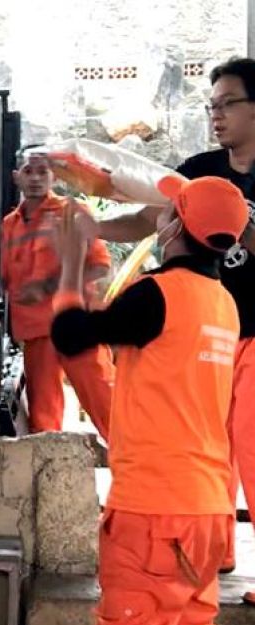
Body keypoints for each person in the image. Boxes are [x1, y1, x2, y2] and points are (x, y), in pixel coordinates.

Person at [50, 176, 247, 625]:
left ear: (175, 228)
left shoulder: (158, 295)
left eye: (165, 215)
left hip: (153, 506)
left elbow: (71, 337)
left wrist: (72, 261)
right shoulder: (224, 303)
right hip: (211, 505)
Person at [95, 57, 255, 573]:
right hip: (204, 333)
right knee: (208, 442)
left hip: (254, 335)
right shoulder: (198, 170)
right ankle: (218, 551)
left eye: (228, 103)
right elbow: (148, 219)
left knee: (251, 443)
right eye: (212, 105)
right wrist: (90, 228)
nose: (217, 114)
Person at [1, 149, 115, 438]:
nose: (36, 178)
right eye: (29, 171)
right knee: (43, 423)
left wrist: (49, 286)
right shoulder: (6, 228)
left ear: (54, 175)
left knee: (109, 408)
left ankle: (140, 469)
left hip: (78, 328)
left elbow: (100, 268)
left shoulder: (72, 214)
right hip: (37, 337)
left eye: (42, 171)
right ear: (16, 177)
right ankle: (50, 479)